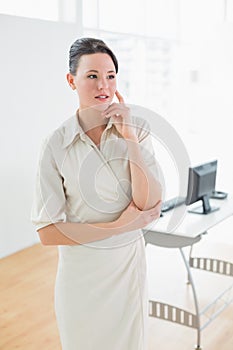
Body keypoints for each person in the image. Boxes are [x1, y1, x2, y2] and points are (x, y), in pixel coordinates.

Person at [31, 37, 162, 350]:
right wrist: (120, 225)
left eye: (111, 76)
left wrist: (129, 136)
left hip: (127, 272)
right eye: (92, 76)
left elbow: (148, 204)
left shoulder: (136, 129)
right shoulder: (55, 144)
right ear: (71, 80)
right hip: (80, 279)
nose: (103, 85)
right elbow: (48, 231)